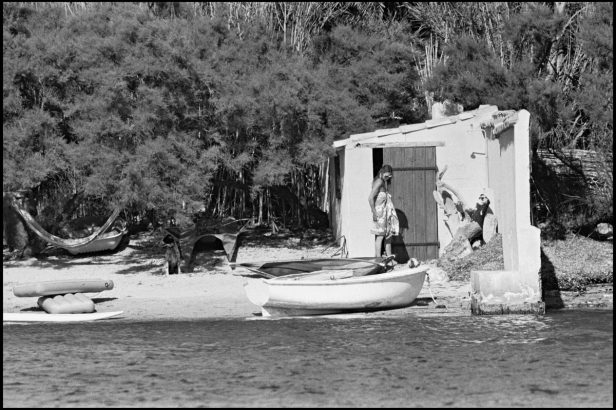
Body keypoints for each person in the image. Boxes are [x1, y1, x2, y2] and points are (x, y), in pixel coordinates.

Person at [436, 180, 491, 256]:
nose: (480, 199)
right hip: (471, 225)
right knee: (460, 235)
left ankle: (448, 251)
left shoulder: (477, 208)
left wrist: (445, 185)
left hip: (475, 226)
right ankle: (450, 251)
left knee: (460, 235)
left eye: (482, 198)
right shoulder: (471, 211)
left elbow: (457, 193)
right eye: (480, 198)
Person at [368, 165, 399, 258]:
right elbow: (370, 198)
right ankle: (378, 258)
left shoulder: (383, 181)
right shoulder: (379, 181)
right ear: (382, 172)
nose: (388, 178)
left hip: (385, 213)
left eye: (390, 176)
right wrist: (374, 213)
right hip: (379, 213)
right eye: (387, 176)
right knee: (380, 236)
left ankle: (389, 257)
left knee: (388, 235)